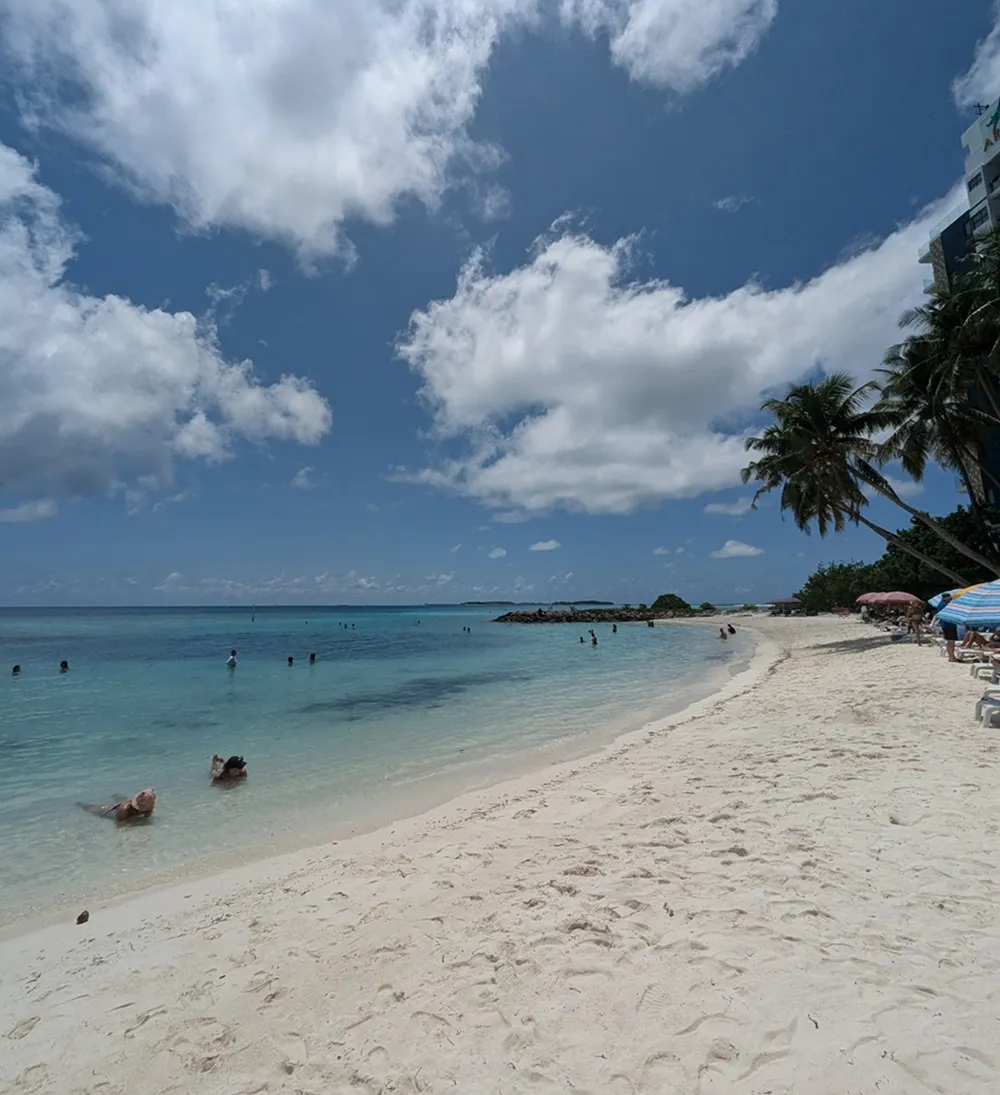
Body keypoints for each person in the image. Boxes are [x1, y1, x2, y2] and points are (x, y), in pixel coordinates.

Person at [79, 789, 156, 823]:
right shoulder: (125, 809)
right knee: (90, 808)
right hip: (111, 811)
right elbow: (119, 824)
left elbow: (147, 817)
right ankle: (78, 803)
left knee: (122, 799)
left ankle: (114, 794)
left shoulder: (149, 804)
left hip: (127, 805)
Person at [930, 593, 958, 662]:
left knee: (950, 641)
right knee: (951, 641)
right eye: (949, 598)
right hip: (949, 625)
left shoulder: (942, 604)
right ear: (945, 598)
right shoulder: (944, 605)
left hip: (946, 625)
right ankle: (951, 657)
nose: (951, 599)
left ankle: (952, 656)